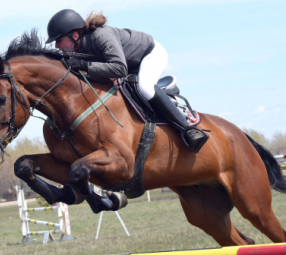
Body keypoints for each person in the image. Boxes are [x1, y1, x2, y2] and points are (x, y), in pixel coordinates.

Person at [45, 9, 208, 153]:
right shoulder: (77, 48)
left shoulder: (101, 36)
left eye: (59, 40)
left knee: (145, 87)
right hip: (129, 63)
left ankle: (188, 130)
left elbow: (119, 69)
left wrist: (85, 66)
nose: (57, 46)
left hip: (150, 54)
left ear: (74, 35)